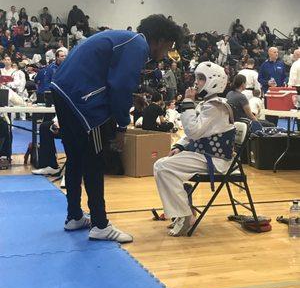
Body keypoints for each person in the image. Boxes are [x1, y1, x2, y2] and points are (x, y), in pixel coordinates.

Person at [51, 14, 182, 243]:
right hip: (83, 96)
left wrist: (132, 97)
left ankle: (74, 216)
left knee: (75, 158)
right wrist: (122, 126)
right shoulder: (138, 45)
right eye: (168, 47)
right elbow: (119, 85)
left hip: (64, 90)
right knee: (94, 159)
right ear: (160, 40)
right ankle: (100, 225)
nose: (165, 54)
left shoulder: (126, 38)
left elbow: (112, 80)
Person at [154, 62, 235, 236]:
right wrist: (179, 145)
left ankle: (185, 214)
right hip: (203, 155)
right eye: (197, 78)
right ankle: (184, 209)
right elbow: (192, 134)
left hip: (215, 160)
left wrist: (188, 102)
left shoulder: (216, 107)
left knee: (163, 167)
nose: (196, 82)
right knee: (161, 165)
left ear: (213, 81)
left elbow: (193, 130)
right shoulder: (207, 104)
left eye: (201, 78)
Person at [258, 47, 286, 125]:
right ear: (269, 53)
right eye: (274, 52)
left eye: (277, 52)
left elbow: (284, 76)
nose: (276, 53)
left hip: (278, 93)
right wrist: (267, 83)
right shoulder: (264, 65)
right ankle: (268, 128)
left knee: (276, 112)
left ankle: (275, 128)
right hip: (268, 93)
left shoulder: (281, 64)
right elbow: (259, 78)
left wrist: (284, 82)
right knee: (269, 112)